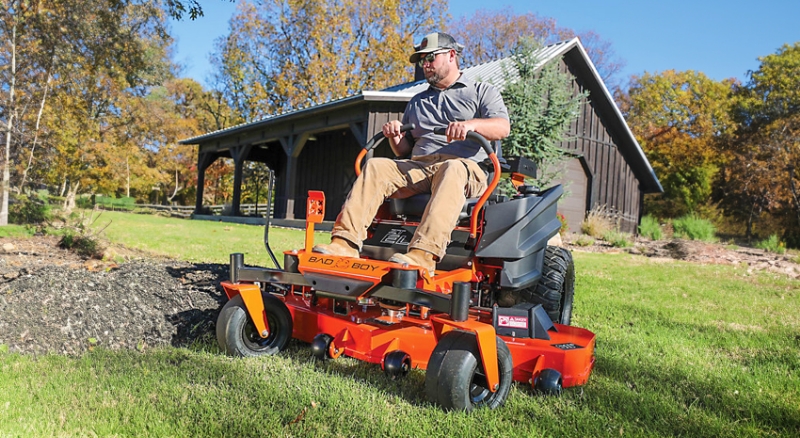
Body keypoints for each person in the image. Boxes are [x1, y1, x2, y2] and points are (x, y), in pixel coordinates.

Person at [313, 32, 510, 276]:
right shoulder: (417, 101)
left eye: (430, 58)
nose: (425, 64)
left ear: (451, 55)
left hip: (464, 168)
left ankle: (423, 254)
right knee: (375, 166)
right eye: (422, 60)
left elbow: (502, 127)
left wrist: (471, 125)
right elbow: (404, 150)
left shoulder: (481, 92)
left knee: (452, 169)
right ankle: (345, 243)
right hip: (419, 167)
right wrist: (396, 136)